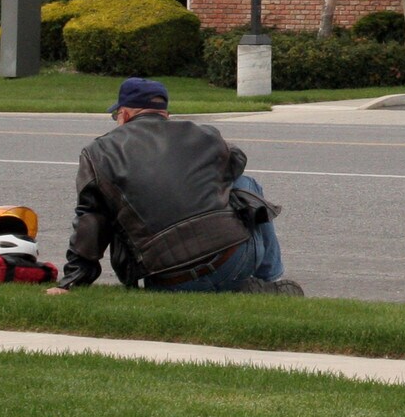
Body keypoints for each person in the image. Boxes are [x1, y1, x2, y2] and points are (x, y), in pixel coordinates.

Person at [45, 77, 302, 296]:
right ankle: (270, 282)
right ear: (165, 115)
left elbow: (91, 219)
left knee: (111, 203)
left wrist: (72, 281)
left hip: (166, 279)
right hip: (232, 262)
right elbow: (236, 163)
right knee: (246, 184)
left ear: (124, 114)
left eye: (116, 115)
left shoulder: (97, 152)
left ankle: (239, 286)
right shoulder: (205, 135)